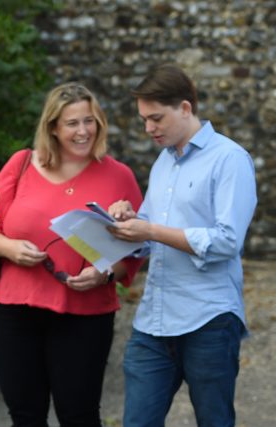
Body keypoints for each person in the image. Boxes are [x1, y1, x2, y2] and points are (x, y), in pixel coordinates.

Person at [0, 82, 144, 426]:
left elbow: (137, 249)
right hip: (16, 312)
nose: (83, 131)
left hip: (86, 314)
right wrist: (9, 247)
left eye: (89, 121)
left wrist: (106, 272)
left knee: (79, 415)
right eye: (72, 123)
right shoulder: (21, 164)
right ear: (52, 127)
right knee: (24, 415)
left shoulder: (118, 175)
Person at [107, 64, 257, 427]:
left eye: (156, 118)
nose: (148, 129)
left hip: (209, 319)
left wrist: (151, 230)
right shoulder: (164, 162)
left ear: (186, 108)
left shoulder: (230, 158)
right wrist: (128, 221)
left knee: (214, 421)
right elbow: (148, 238)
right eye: (144, 119)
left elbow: (227, 241)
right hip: (153, 321)